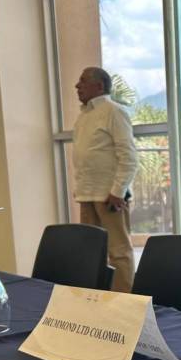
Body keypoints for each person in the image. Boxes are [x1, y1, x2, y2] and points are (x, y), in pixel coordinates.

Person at [72, 67, 138, 293]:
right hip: (87, 195)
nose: (77, 86)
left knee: (119, 252)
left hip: (110, 197)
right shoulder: (83, 116)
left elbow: (128, 156)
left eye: (82, 81)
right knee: (91, 252)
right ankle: (98, 299)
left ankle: (125, 302)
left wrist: (118, 191)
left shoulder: (114, 111)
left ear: (99, 86)